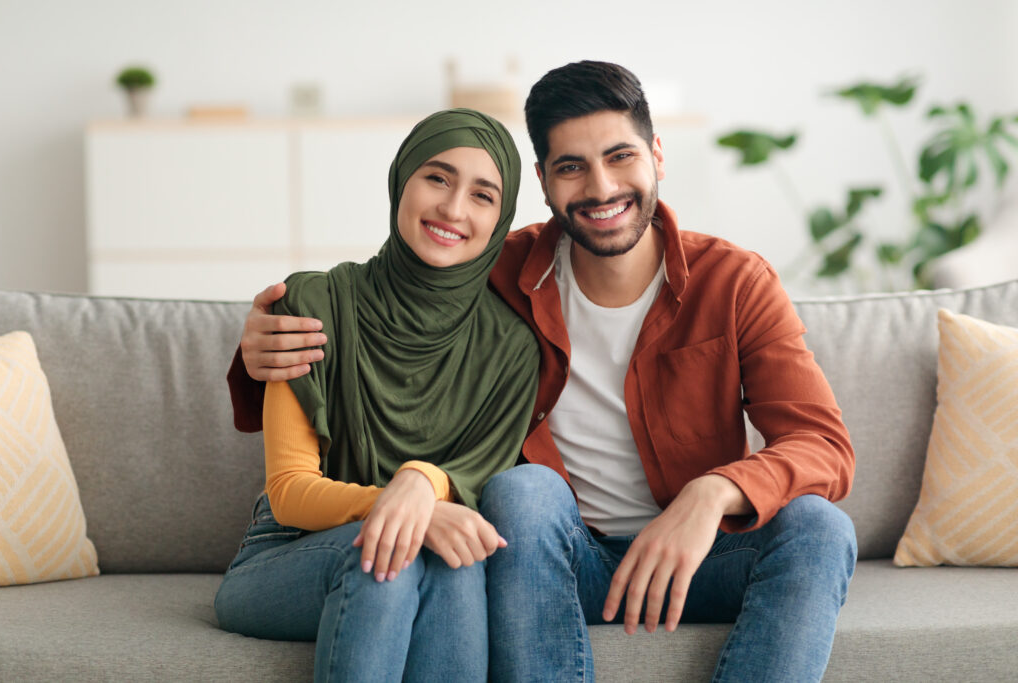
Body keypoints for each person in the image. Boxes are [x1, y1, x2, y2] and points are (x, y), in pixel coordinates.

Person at [229, 62, 858, 682]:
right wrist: (262, 342)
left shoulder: (735, 282)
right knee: (523, 491)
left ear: (657, 156)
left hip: (698, 554)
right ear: (543, 182)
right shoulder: (494, 269)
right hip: (560, 558)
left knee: (821, 528)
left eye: (620, 156)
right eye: (571, 167)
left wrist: (712, 493)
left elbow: (823, 445)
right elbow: (396, 295)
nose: (602, 187)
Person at [213, 109, 540, 683]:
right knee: (392, 554)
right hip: (286, 552)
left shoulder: (511, 349)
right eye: (437, 178)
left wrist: (422, 493)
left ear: (501, 218)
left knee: (453, 563)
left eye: (482, 195)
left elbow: (474, 477)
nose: (453, 208)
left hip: (424, 561)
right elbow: (288, 492)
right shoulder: (314, 303)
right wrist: (410, 509)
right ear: (401, 180)